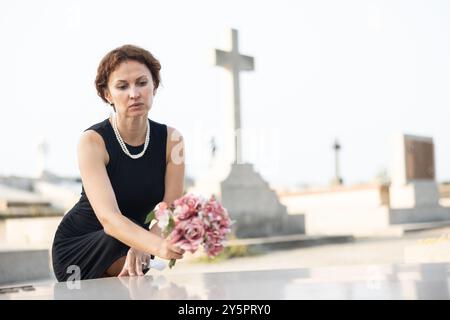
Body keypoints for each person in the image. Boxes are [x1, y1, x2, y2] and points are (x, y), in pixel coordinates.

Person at [52, 44, 185, 282]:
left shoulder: (173, 141)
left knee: (135, 268)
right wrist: (157, 247)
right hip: (82, 246)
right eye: (122, 86)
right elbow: (109, 219)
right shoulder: (92, 141)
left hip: (134, 245)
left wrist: (145, 245)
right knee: (130, 259)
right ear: (107, 95)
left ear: (154, 85)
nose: (134, 93)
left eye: (142, 83)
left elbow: (170, 209)